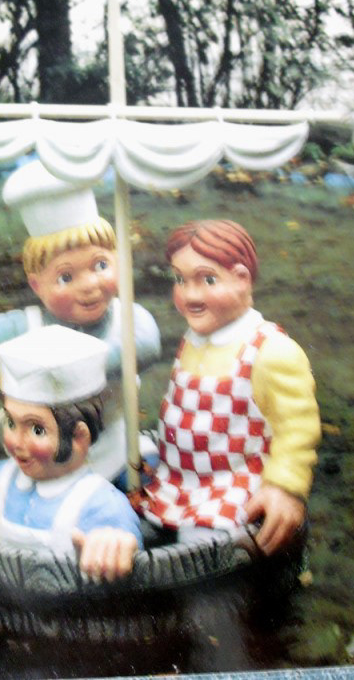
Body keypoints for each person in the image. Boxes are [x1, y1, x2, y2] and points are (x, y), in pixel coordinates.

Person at [0, 160, 161, 485]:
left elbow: (145, 346)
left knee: (154, 487)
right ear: (37, 285)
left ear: (118, 262)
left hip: (117, 458)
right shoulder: (26, 327)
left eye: (100, 265)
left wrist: (64, 367)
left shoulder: (128, 319)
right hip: (43, 468)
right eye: (66, 276)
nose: (89, 285)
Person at [137, 219, 321, 556]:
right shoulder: (194, 339)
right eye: (180, 279)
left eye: (208, 279)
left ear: (241, 278)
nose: (190, 295)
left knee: (202, 552)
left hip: (230, 483)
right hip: (178, 477)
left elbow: (297, 429)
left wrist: (285, 487)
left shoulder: (269, 350)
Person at [0, 325, 142, 582]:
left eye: (37, 430)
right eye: (10, 423)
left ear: (78, 437)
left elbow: (126, 550)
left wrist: (114, 545)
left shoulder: (101, 503)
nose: (16, 442)